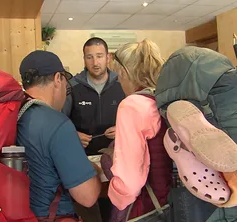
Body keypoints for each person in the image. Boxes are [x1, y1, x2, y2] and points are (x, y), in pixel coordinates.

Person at [16, 50, 101, 221]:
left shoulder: (16, 114)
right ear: (57, 79)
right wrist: (95, 171)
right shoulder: (58, 123)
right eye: (65, 81)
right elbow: (87, 196)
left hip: (21, 214)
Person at [102, 39, 173, 220]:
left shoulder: (132, 105)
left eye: (118, 73)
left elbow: (129, 184)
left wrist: (114, 197)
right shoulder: (163, 98)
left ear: (125, 72)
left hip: (145, 207)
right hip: (170, 201)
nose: (118, 79)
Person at [63, 37, 125, 156]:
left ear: (108, 58)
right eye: (89, 57)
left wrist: (122, 129)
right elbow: (59, 121)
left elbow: (135, 120)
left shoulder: (122, 83)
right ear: (84, 59)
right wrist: (72, 134)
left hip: (117, 155)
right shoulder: (72, 86)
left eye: (99, 56)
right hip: (82, 157)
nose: (95, 63)